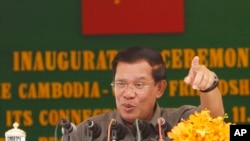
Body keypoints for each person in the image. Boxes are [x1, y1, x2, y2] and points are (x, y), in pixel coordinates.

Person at [70, 46, 224, 141]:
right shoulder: (91, 131)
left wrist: (208, 86)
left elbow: (213, 121)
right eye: (121, 84)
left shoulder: (178, 123)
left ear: (160, 88)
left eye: (139, 85)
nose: (128, 94)